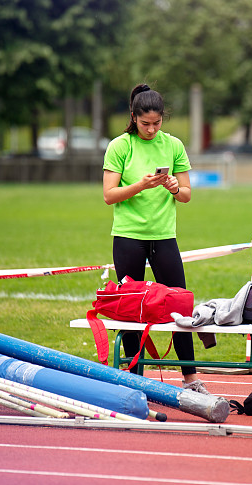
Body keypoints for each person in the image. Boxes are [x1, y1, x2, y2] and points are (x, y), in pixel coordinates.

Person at [102, 83, 210, 396]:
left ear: (163, 118)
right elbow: (109, 195)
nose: (151, 129)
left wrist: (174, 187)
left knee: (180, 305)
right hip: (128, 236)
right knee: (130, 308)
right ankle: (134, 378)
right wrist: (142, 185)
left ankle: (191, 378)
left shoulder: (173, 145)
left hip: (164, 236)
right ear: (133, 117)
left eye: (157, 123)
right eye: (145, 123)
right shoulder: (120, 146)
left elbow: (187, 195)